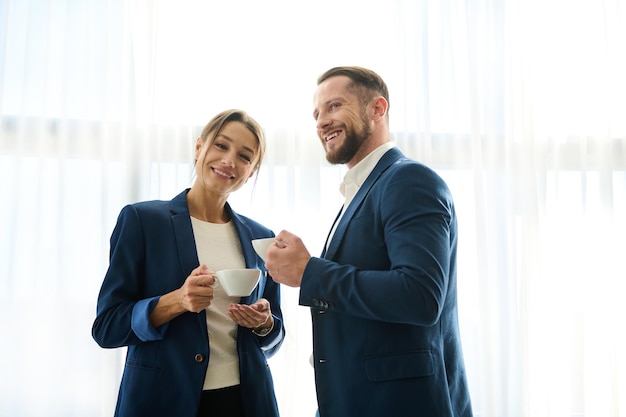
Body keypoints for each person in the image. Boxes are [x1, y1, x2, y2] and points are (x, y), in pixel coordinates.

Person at [265, 67, 473, 417]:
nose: (321, 122)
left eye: (333, 106)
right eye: (317, 114)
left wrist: (310, 272)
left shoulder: (408, 180)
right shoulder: (361, 192)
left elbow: (420, 295)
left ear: (377, 109)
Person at [92, 109, 285, 417]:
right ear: (199, 147)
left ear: (251, 171)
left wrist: (264, 323)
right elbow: (107, 327)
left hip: (246, 400)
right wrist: (177, 301)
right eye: (221, 146)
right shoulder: (143, 221)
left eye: (245, 157)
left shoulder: (261, 237)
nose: (229, 161)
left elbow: (274, 337)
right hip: (163, 400)